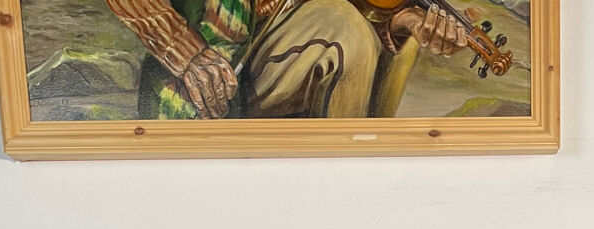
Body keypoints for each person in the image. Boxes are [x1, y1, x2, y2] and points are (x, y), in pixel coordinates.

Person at [106, 0, 468, 120]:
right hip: (211, 51)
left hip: (280, 41)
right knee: (347, 31)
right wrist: (186, 51)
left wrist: (402, 21)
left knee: (389, 43)